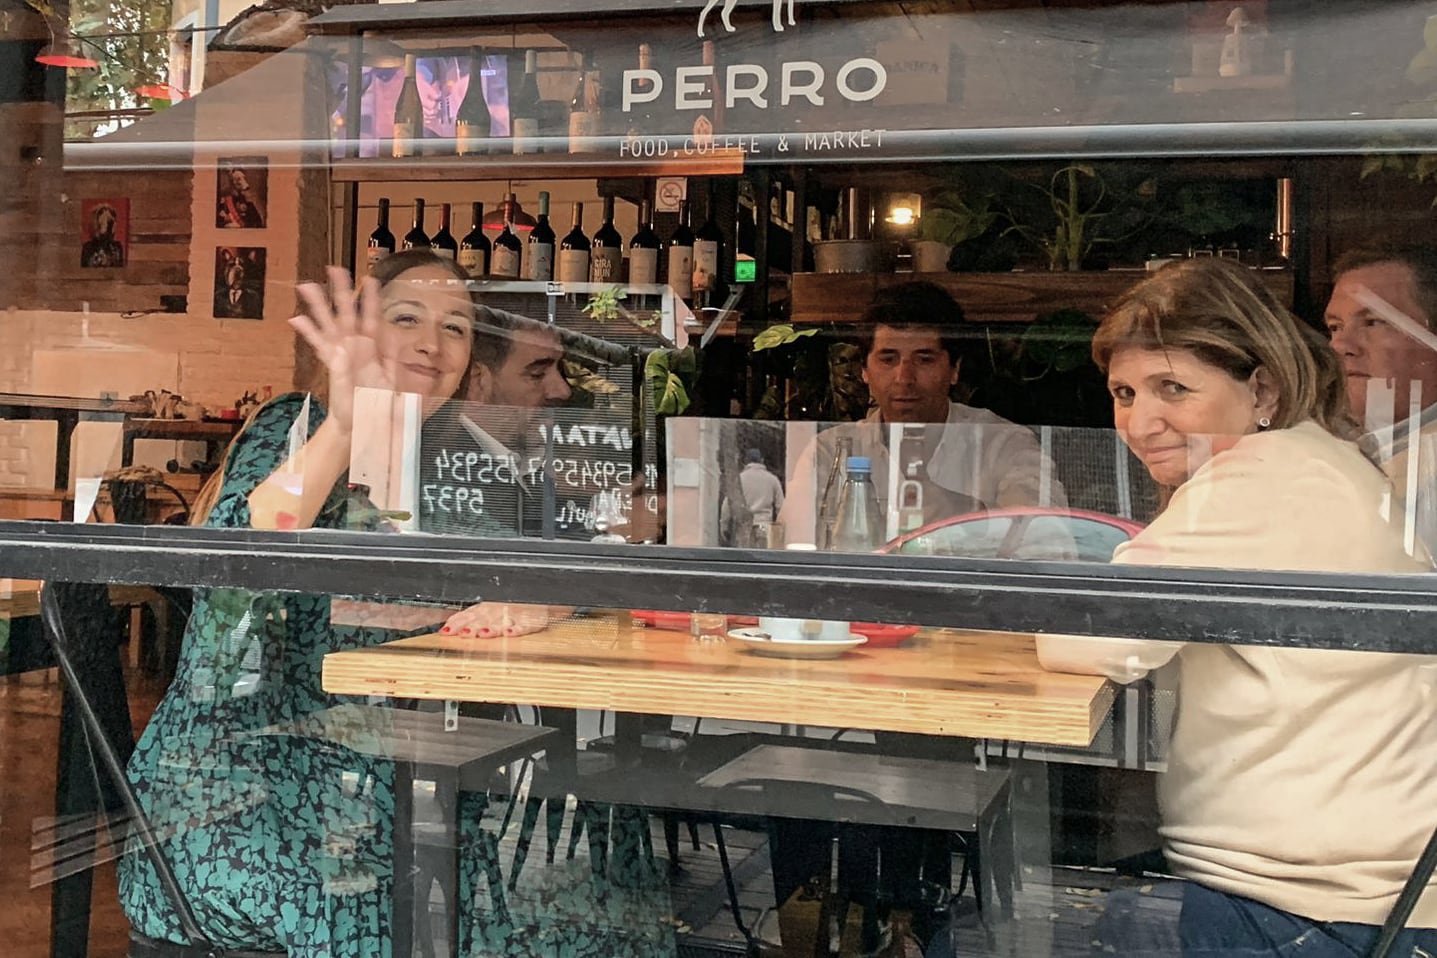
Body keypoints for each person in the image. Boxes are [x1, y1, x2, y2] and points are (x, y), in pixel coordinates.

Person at [1036, 258, 1437, 958]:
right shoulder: (1315, 457)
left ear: (1262, 389)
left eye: (1173, 389)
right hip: (1359, 894)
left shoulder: (1254, 476)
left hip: (1307, 907)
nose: (1141, 420)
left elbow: (1093, 639)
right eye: (1123, 392)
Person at [776, 281, 1066, 548]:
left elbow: (1048, 545)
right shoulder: (832, 451)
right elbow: (790, 548)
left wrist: (967, 517)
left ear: (954, 369)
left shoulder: (1003, 444)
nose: (904, 378)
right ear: (864, 370)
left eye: (924, 359)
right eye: (888, 359)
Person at [1324, 243, 1437, 553]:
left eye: (1374, 322)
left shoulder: (1428, 469)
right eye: (1335, 327)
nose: (1340, 345)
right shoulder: (1333, 439)